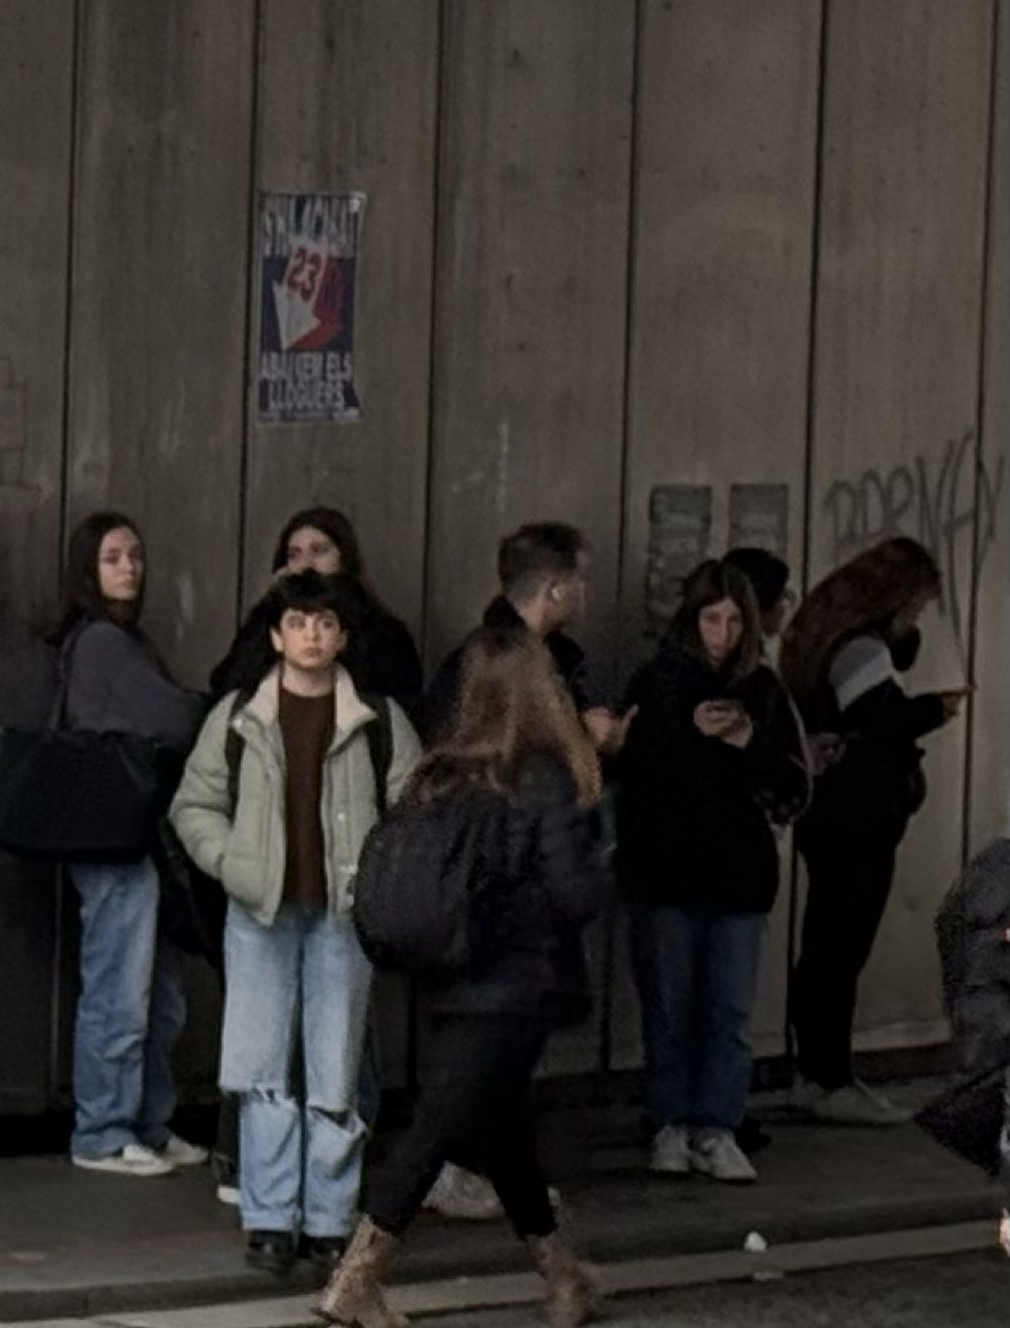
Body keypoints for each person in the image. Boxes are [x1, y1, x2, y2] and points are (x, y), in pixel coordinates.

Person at [319, 626, 617, 1328]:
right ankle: (356, 1279)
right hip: (515, 986)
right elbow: (574, 893)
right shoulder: (539, 773)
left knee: (502, 1128)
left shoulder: (439, 773)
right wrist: (607, 859)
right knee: (436, 1129)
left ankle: (561, 1273)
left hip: (448, 978)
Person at [171, 572, 415, 1277]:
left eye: (326, 624)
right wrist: (234, 865)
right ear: (277, 635)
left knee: (335, 1064)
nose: (312, 635)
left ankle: (331, 1220)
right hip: (260, 911)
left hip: (343, 914)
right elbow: (194, 805)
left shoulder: (376, 717)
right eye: (300, 622)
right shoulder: (240, 716)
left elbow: (414, 809)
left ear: (343, 637)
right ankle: (271, 1218)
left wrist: (377, 880)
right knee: (261, 1067)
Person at [617, 561, 802, 1178]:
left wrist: (749, 741)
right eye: (710, 619)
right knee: (670, 1008)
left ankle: (716, 1124)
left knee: (727, 1011)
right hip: (667, 871)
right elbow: (627, 770)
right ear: (691, 622)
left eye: (732, 621)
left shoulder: (764, 691)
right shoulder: (658, 684)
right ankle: (671, 1120)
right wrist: (680, 734)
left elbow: (792, 784)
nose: (721, 634)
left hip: (736, 877)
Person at [777, 534, 960, 1125]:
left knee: (825, 944)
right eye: (915, 607)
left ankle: (817, 1072)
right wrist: (936, 709)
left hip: (828, 814)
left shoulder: (823, 636)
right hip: (858, 817)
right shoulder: (859, 650)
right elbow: (880, 720)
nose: (917, 619)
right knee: (840, 948)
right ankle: (829, 1076)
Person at [49, 510, 210, 1177]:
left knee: (155, 987)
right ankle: (104, 1130)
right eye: (113, 557)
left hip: (130, 834)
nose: (128, 568)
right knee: (122, 985)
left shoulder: (118, 640)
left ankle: (144, 1119)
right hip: (115, 837)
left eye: (136, 556)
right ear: (88, 569)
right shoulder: (104, 644)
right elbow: (172, 718)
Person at [425, 521, 625, 751]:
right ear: (556, 590)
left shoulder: (561, 657)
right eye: (579, 580)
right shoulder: (485, 664)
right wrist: (585, 738)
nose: (584, 591)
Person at [206, 505, 426, 712]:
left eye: (319, 551)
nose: (305, 565)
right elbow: (227, 688)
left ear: (344, 558)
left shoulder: (385, 632)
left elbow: (400, 708)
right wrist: (270, 609)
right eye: (294, 555)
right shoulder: (266, 622)